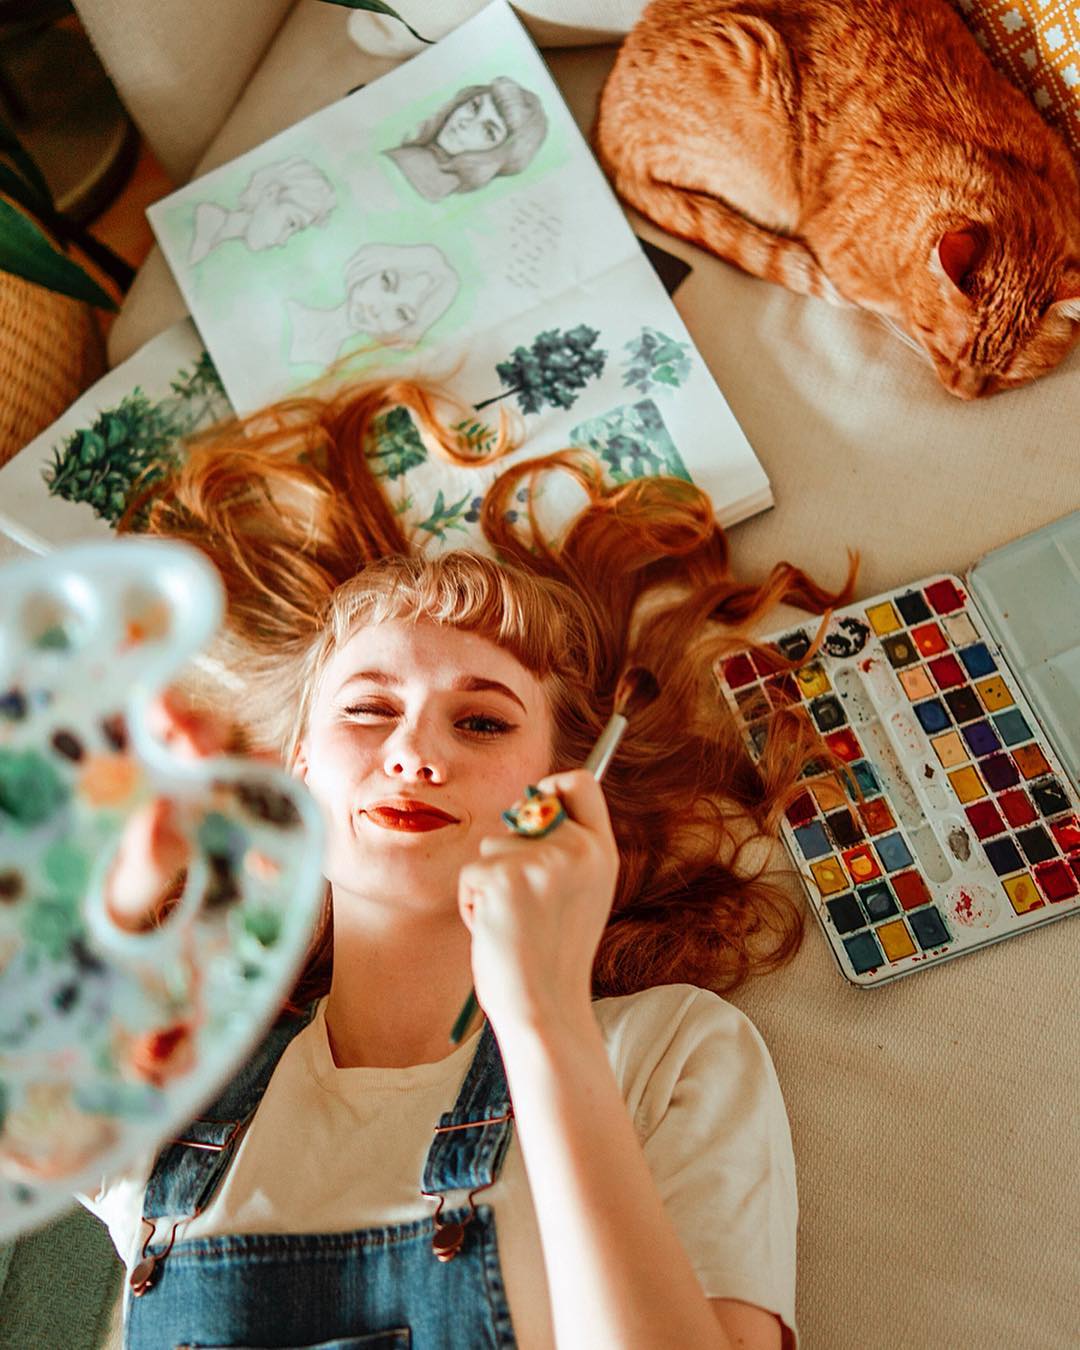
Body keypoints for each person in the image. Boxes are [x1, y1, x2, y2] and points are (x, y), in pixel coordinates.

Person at [78, 374, 855, 1350]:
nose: (414, 752)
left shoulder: (667, 1053)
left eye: (482, 721)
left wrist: (547, 1024)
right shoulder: (184, 1077)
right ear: (295, 774)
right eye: (367, 709)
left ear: (565, 790)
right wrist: (130, 887)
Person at [286, 242, 460, 367]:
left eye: (402, 313)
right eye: (386, 282)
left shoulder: (328, 368)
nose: (377, 309)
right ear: (371, 267)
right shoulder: (289, 313)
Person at [385, 77, 549, 202]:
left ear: (498, 155)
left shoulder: (443, 186)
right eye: (474, 107)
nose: (466, 123)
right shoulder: (407, 160)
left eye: (488, 130)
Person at [188, 156, 337, 264]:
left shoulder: (219, 241)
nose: (282, 241)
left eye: (294, 231)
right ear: (270, 193)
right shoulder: (205, 222)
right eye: (291, 223)